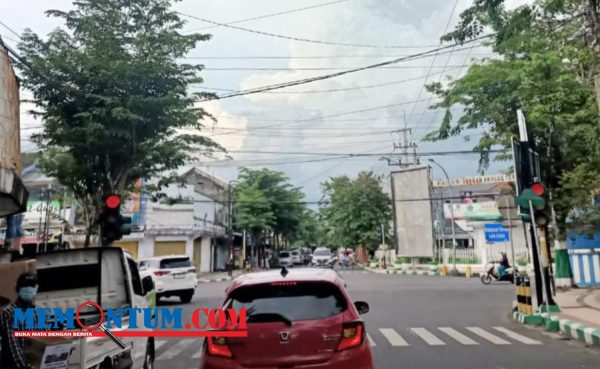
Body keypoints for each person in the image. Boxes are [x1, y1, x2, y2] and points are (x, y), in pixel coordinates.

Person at [0, 272, 38, 369]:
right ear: (17, 289)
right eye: (25, 285)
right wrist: (25, 367)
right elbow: (13, 346)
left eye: (31, 285)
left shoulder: (37, 313)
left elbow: (45, 339)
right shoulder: (8, 313)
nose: (29, 289)